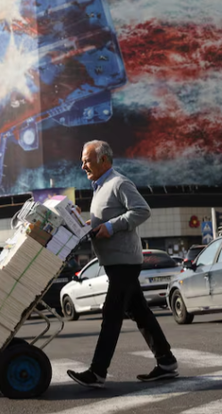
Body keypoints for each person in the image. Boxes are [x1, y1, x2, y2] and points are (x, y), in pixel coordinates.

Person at [67, 140, 177, 389]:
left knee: (112, 314)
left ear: (103, 160)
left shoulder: (119, 182)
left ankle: (97, 372)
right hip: (115, 262)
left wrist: (112, 226)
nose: (82, 164)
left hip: (125, 262)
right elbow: (105, 220)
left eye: (87, 159)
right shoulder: (100, 187)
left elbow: (142, 210)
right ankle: (167, 362)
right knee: (140, 312)